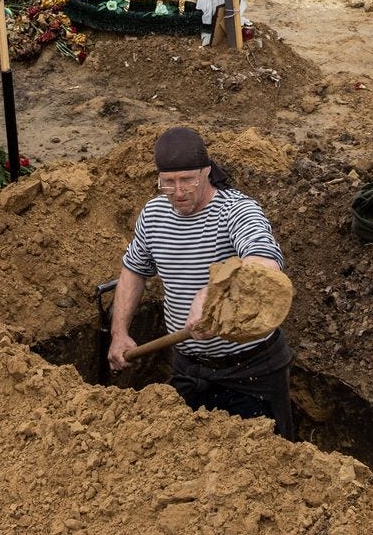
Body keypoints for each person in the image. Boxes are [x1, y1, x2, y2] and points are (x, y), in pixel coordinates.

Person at [108, 126, 293, 437]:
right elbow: (134, 271)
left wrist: (212, 295)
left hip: (250, 372)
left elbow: (264, 261)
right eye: (168, 183)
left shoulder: (237, 211)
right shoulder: (153, 215)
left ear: (207, 171)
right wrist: (119, 333)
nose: (178, 191)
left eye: (187, 180)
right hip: (188, 366)